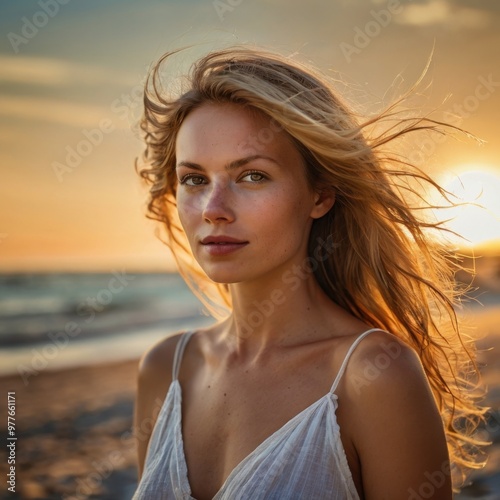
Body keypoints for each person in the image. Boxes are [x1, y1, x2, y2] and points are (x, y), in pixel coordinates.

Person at [132, 46, 485, 499]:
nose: (213, 209)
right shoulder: (165, 369)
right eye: (195, 179)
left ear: (320, 196)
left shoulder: (373, 375)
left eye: (252, 176)